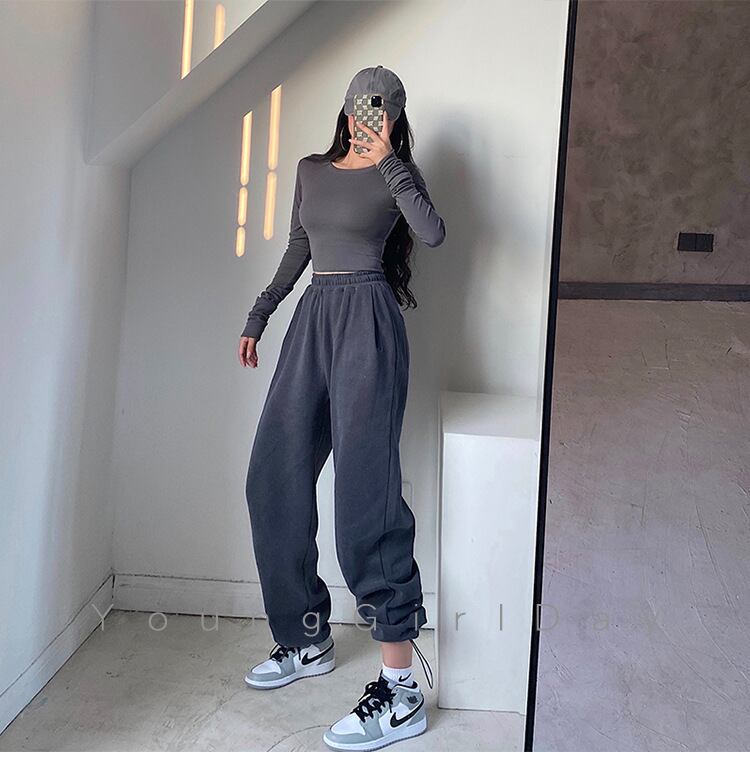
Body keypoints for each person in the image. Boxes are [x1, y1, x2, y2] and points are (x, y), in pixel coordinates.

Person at [238, 65, 445, 751]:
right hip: (313, 320)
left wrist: (390, 163)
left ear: (394, 116)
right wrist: (260, 314)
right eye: (360, 106)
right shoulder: (310, 170)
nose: (367, 117)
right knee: (273, 476)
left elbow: (432, 232)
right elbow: (298, 249)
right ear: (346, 108)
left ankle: (401, 688)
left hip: (368, 325)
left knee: (365, 497)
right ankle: (306, 636)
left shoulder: (395, 175)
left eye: (381, 110)